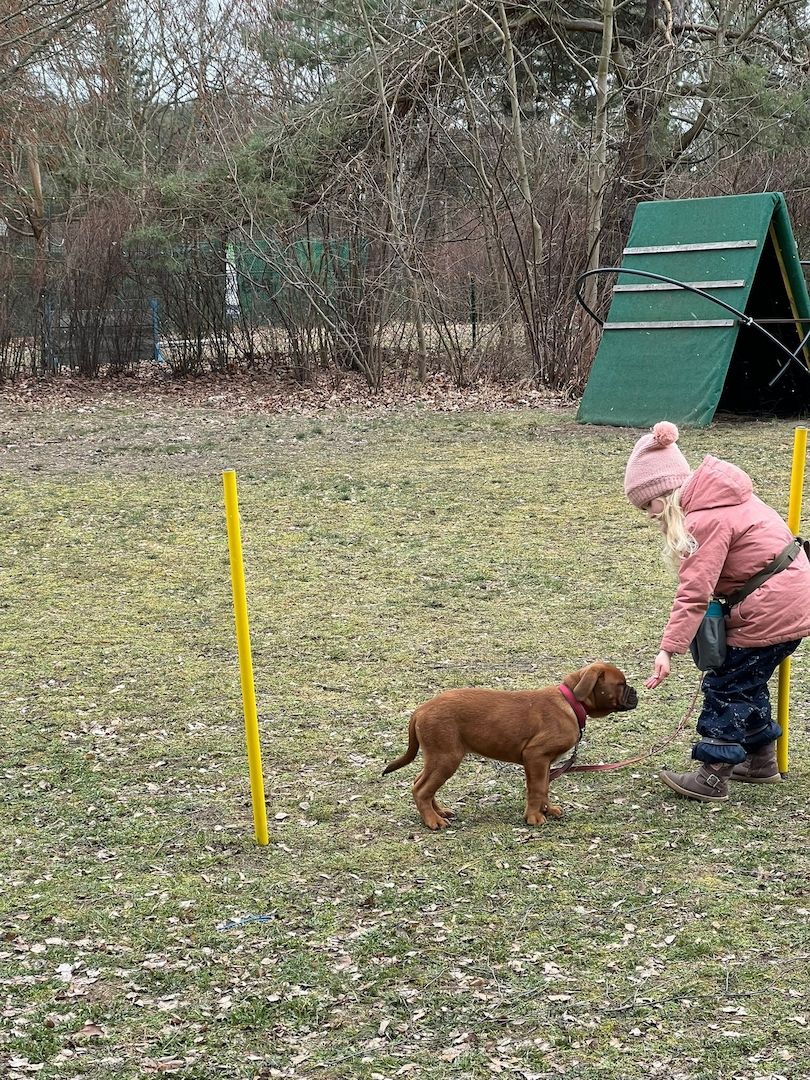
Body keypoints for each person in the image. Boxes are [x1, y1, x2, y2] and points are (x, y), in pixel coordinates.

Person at [623, 420, 810, 802]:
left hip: (771, 609)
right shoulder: (725, 495)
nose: (649, 514)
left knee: (726, 685)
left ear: (665, 491)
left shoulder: (704, 519)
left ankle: (713, 774)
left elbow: (694, 594)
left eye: (649, 504)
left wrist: (667, 649)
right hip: (794, 600)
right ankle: (760, 761)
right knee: (747, 679)